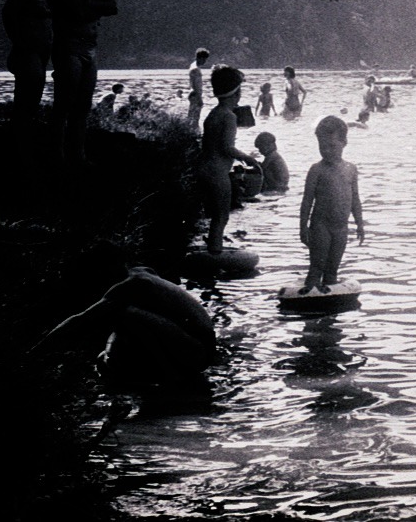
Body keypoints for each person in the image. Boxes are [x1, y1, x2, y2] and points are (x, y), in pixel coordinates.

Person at [34, 249, 217, 391]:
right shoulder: (143, 272)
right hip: (197, 347)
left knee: (124, 314)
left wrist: (36, 351)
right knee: (109, 352)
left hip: (197, 351)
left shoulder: (130, 286)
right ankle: (152, 373)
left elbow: (79, 320)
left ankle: (173, 378)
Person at [45, 0, 119, 169]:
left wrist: (87, 4)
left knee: (83, 105)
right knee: (64, 103)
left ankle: (77, 155)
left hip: (89, 47)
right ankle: (56, 155)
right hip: (68, 46)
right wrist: (91, 5)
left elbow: (112, 5)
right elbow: (78, 12)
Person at [189, 66, 261, 253]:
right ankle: (215, 252)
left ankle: (211, 247)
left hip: (202, 168)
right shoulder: (229, 117)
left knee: (211, 215)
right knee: (221, 217)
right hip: (217, 173)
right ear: (236, 93)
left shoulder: (213, 113)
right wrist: (248, 158)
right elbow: (227, 147)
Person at [298, 116, 366, 294]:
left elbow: (355, 199)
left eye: (332, 146)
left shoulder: (351, 169)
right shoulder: (316, 170)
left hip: (341, 228)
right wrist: (303, 228)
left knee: (332, 269)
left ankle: (329, 313)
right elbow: (307, 201)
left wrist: (359, 223)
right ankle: (308, 303)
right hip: (321, 226)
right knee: (317, 266)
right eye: (322, 147)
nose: (326, 151)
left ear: (344, 142)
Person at [2, 0, 59, 126]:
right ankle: (19, 139)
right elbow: (8, 14)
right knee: (26, 100)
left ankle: (24, 135)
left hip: (41, 50)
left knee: (32, 100)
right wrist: (21, 41)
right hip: (28, 51)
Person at [186, 48, 211, 131]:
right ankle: (193, 131)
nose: (205, 61)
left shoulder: (193, 65)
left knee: (191, 116)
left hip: (192, 94)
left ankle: (190, 130)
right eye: (205, 59)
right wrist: (199, 99)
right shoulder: (195, 69)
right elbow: (196, 85)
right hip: (195, 95)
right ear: (201, 58)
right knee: (195, 117)